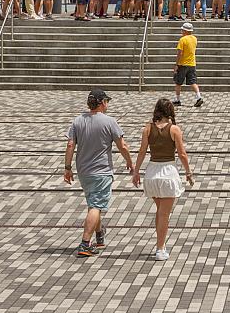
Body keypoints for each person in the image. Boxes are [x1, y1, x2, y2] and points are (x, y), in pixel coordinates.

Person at [63, 89, 134, 257]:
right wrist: (130, 162)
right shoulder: (109, 122)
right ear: (102, 103)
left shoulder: (78, 121)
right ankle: (85, 244)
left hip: (83, 172)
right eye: (107, 101)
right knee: (96, 206)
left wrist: (67, 167)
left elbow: (70, 145)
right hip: (101, 171)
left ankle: (99, 235)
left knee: (93, 204)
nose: (108, 104)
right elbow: (122, 145)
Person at [131, 98, 194, 261]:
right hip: (168, 174)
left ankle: (161, 244)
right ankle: (160, 248)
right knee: (164, 214)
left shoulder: (147, 129)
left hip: (151, 173)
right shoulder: (174, 130)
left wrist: (136, 171)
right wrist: (188, 172)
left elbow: (142, 151)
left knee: (160, 212)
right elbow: (182, 154)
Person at [173, 22, 203, 107]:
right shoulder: (194, 39)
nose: (181, 31)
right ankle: (199, 97)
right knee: (193, 82)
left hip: (183, 64)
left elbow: (180, 53)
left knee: (178, 82)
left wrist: (176, 64)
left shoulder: (182, 40)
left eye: (182, 30)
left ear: (185, 31)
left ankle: (178, 100)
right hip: (192, 63)